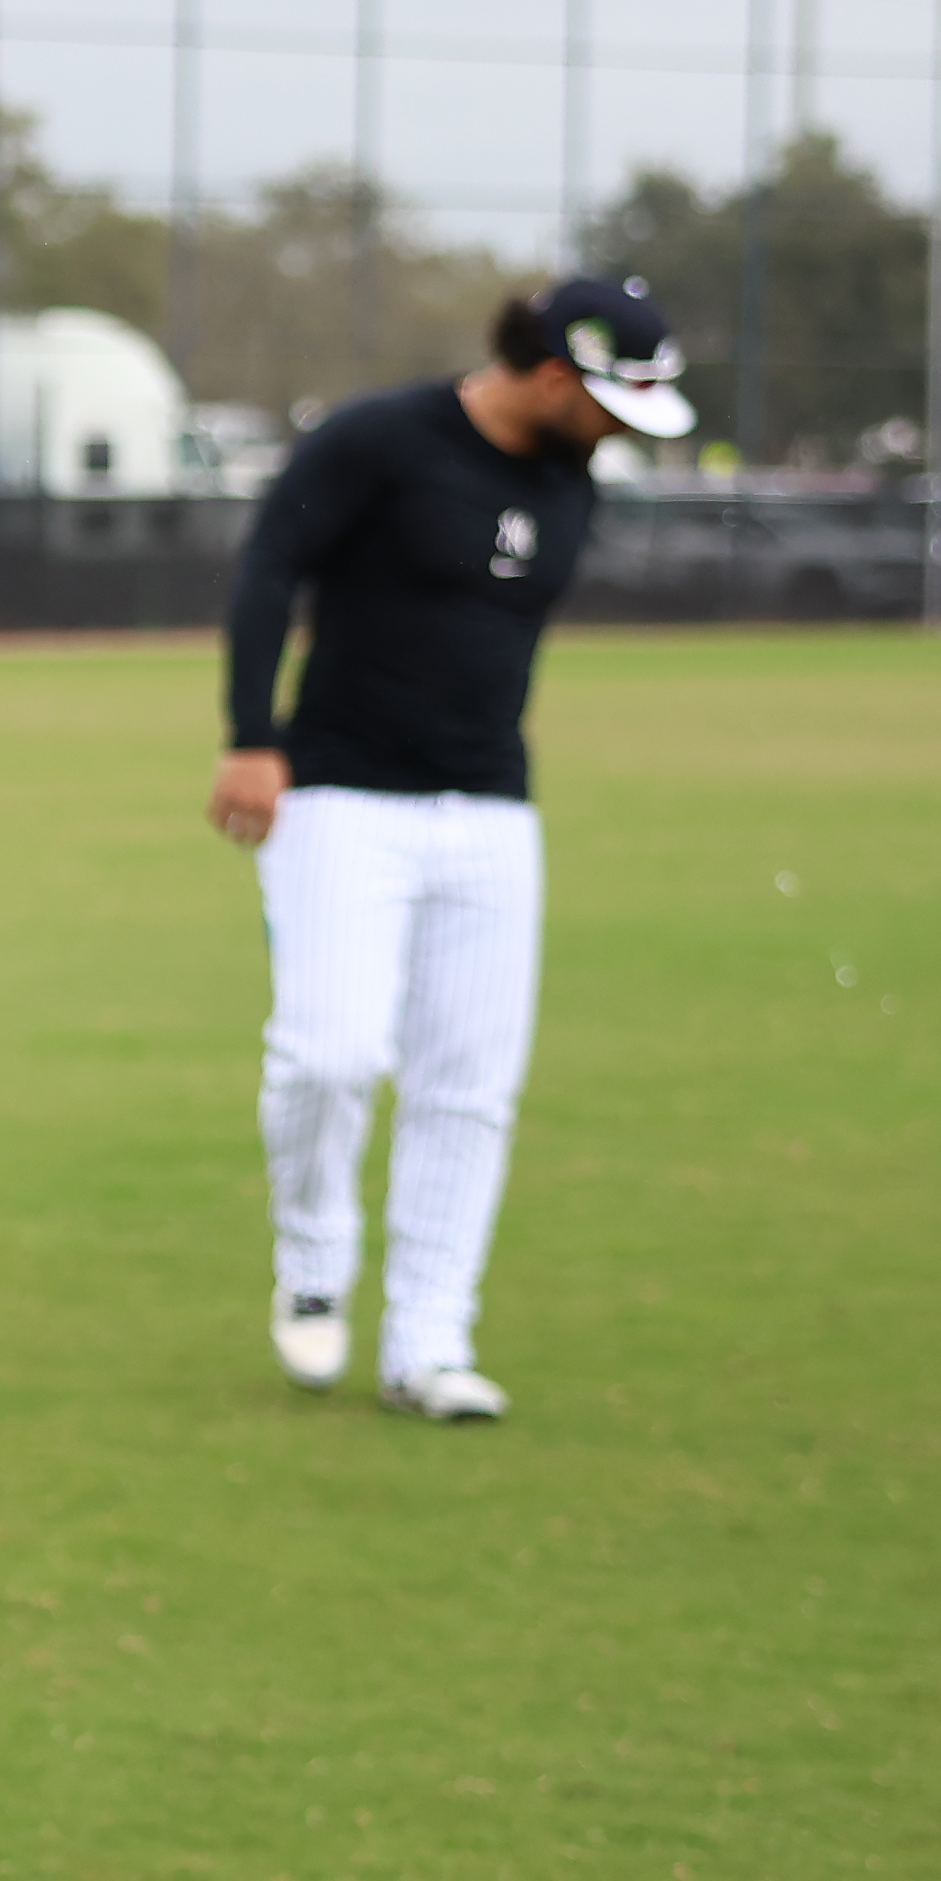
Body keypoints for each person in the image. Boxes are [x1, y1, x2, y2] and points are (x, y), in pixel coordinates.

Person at [208, 273, 692, 1420]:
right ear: (554, 375)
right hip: (340, 797)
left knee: (469, 1086)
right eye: (615, 402)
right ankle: (316, 1260)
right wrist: (250, 738)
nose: (625, 431)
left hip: (490, 810)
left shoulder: (577, 477)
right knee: (329, 1053)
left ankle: (430, 1338)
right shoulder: (382, 438)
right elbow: (268, 565)